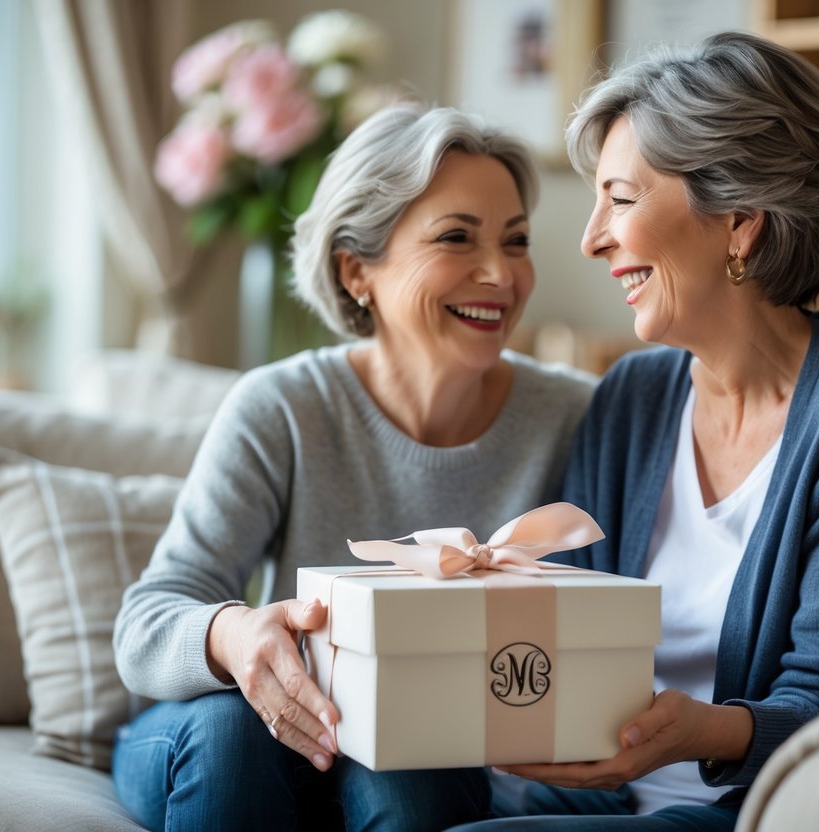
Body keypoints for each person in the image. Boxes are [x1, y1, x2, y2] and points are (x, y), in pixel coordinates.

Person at [450, 31, 819, 831]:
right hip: (595, 794)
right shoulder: (632, 395)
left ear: (739, 221)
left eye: (619, 200)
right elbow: (564, 637)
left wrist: (698, 731)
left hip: (746, 808)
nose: (590, 239)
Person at [111, 103, 596, 832]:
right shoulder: (283, 406)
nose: (500, 274)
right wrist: (234, 636)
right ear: (356, 269)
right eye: (456, 237)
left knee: (415, 765)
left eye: (516, 240)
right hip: (241, 740)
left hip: (419, 751)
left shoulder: (575, 415)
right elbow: (146, 622)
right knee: (230, 734)